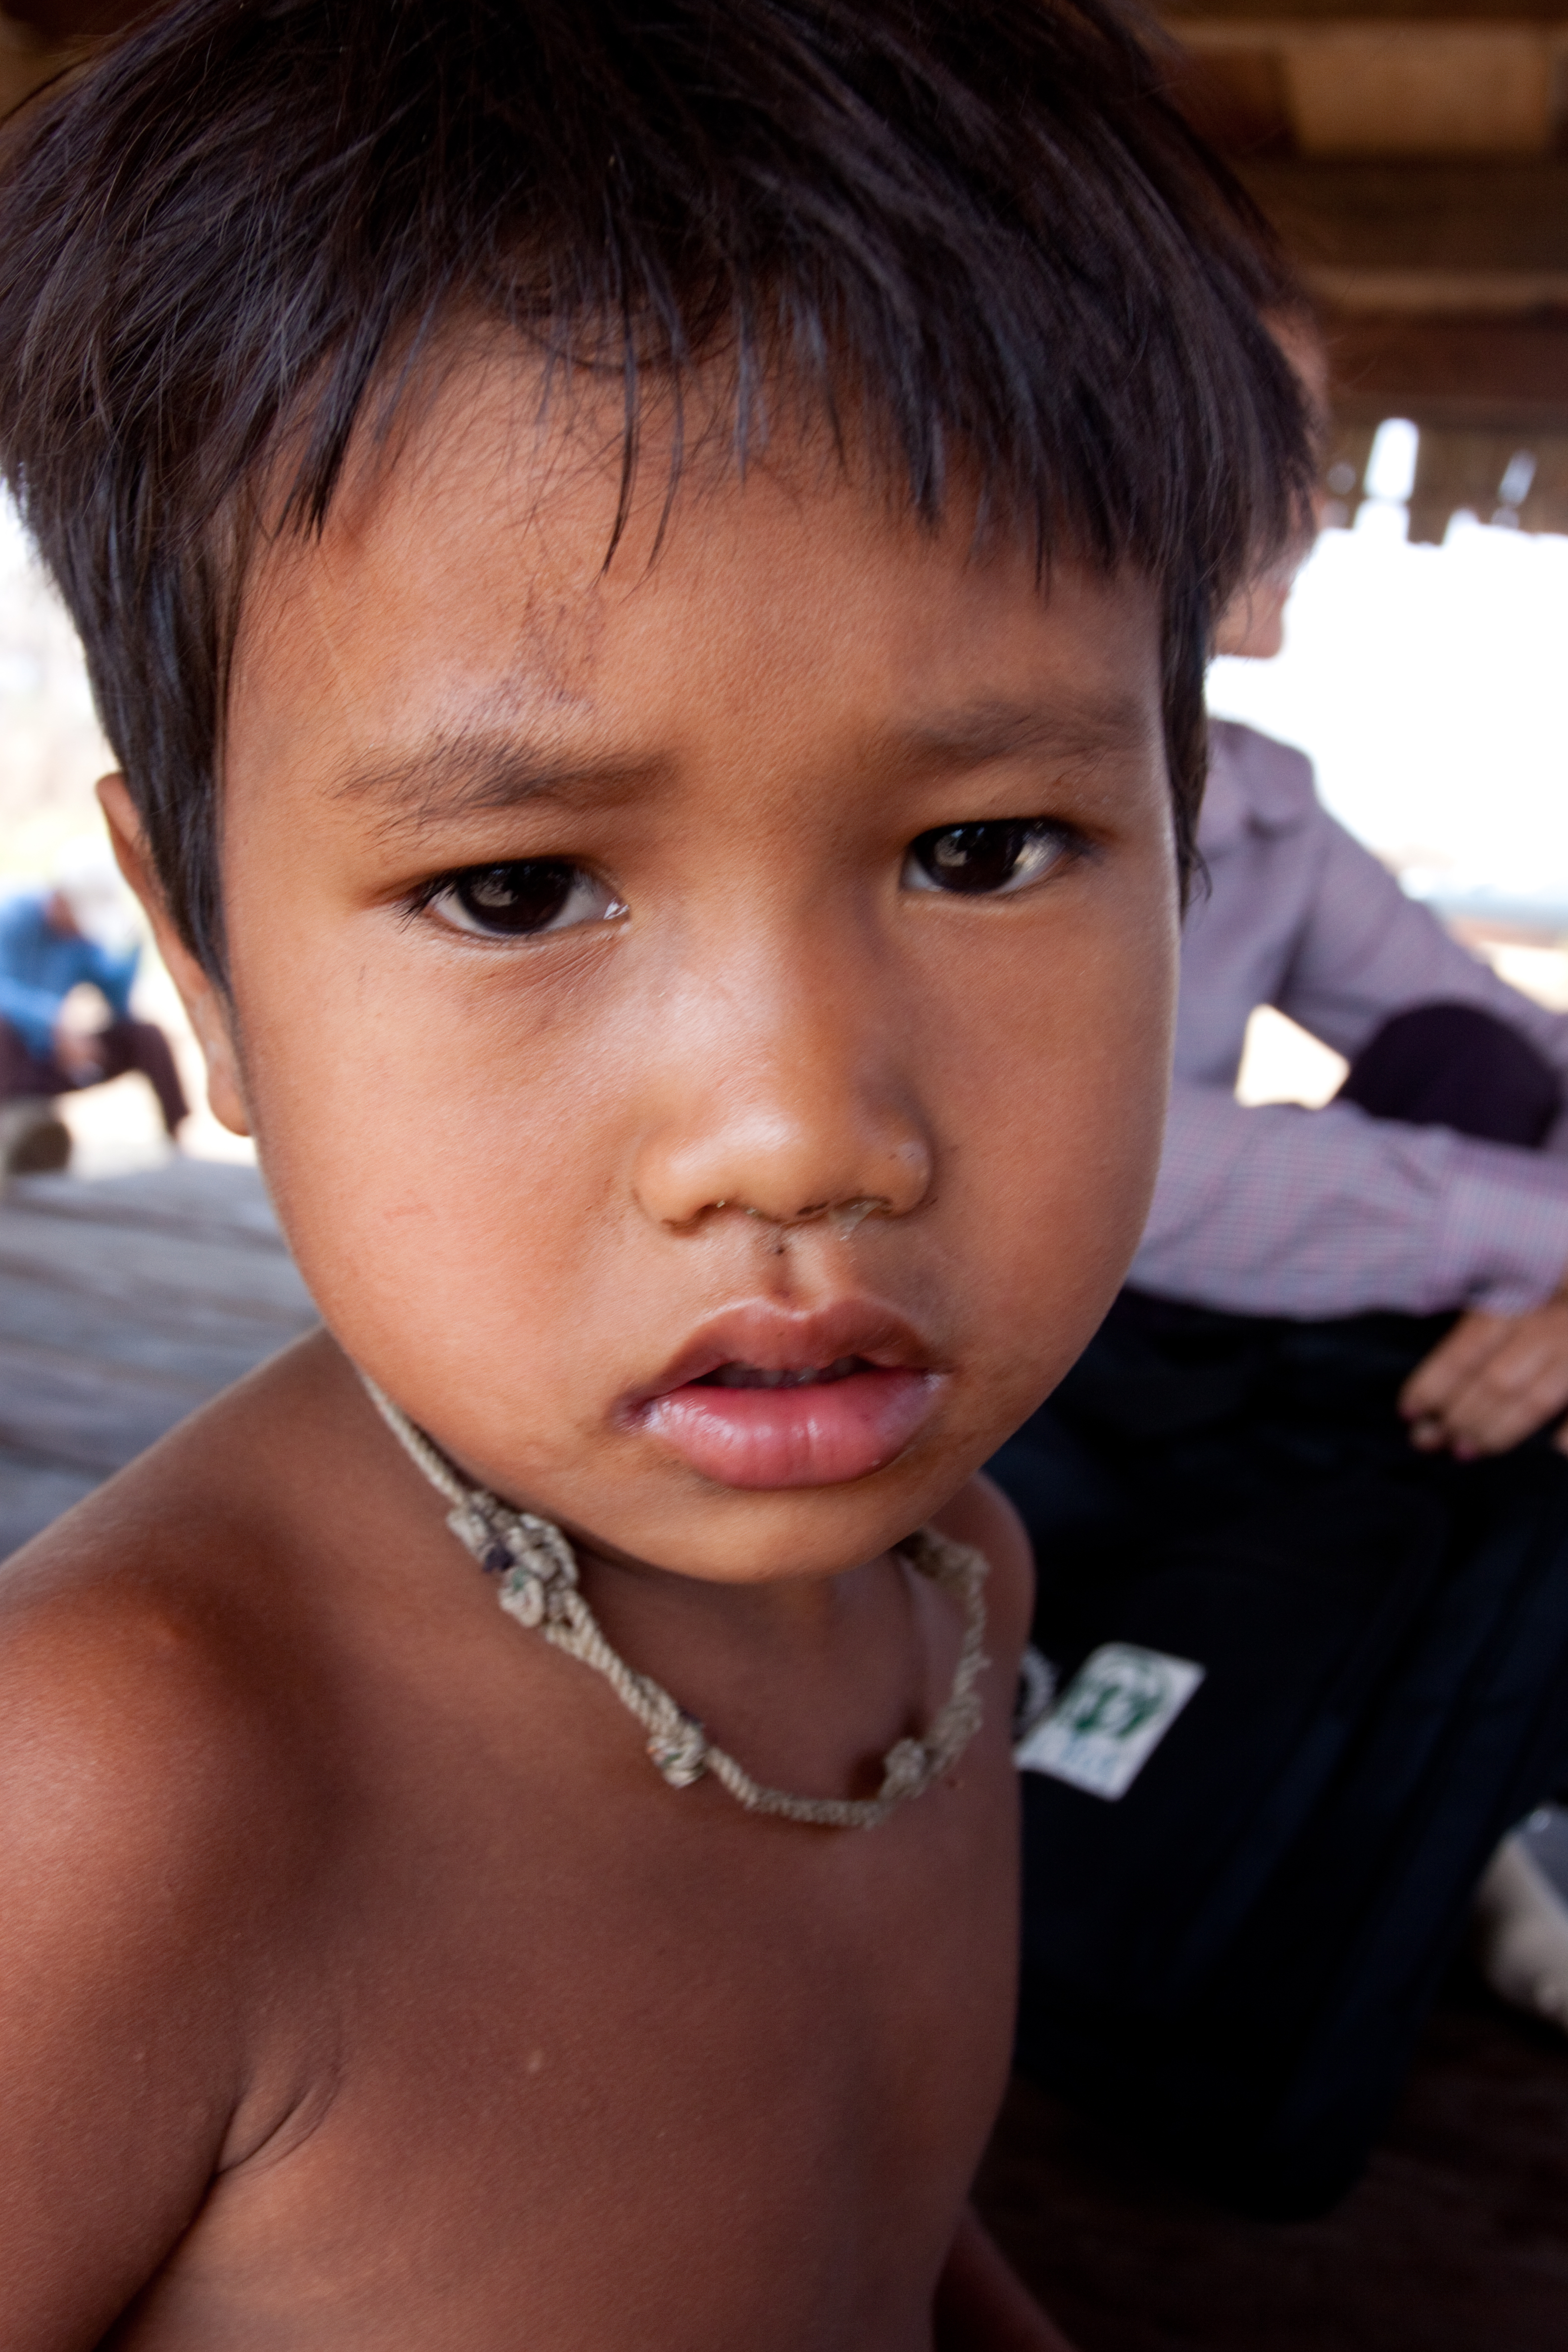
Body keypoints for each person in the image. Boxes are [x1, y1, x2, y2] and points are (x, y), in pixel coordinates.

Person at [0, 0, 1310, 2342]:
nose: (797, 1129)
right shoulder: (112, 1791)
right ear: (199, 959)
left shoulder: (957, 1584)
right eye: (517, 889)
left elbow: (865, 2203)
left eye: (987, 846)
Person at [991, 471, 1568, 2204]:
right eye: (1271, 437)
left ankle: (1412, 1779)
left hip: (1151, 1376)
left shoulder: (1250, 803)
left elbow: (1469, 1034)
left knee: (1477, 1093)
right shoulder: (981, 785)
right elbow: (1103, 1169)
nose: (1312, 495)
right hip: (999, 1354)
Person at [0, 843, 189, 1173]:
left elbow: (119, 1008)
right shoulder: (13, 917)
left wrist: (131, 947)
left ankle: (177, 1141)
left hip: (52, 1059)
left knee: (144, 1035)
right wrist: (52, 1022)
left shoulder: (81, 939)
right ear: (60, 898)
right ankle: (11, 1131)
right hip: (12, 1059)